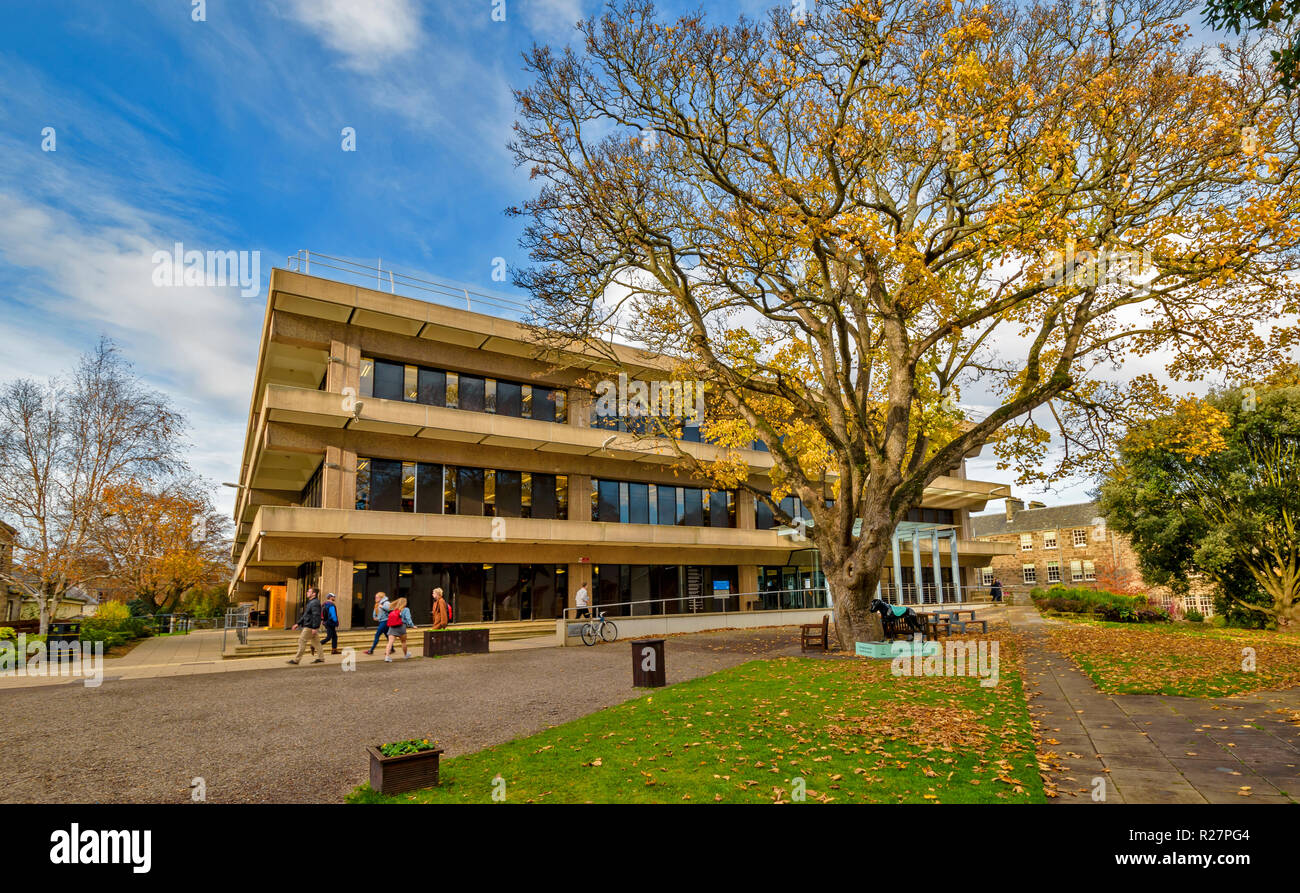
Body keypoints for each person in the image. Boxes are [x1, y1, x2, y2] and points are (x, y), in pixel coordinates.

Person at [287, 587, 325, 664]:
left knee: (302, 641)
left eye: (309, 591)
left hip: (310, 627)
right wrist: (298, 623)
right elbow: (305, 615)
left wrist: (315, 627)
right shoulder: (311, 602)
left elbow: (316, 615)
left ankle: (296, 660)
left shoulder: (314, 603)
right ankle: (321, 658)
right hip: (310, 626)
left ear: (314, 594)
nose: (307, 592)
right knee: (317, 643)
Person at [383, 597, 417, 662]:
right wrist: (412, 625)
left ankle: (387, 657)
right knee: (403, 642)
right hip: (401, 626)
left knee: (390, 642)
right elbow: (408, 618)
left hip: (392, 627)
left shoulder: (394, 609)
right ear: (404, 603)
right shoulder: (406, 609)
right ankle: (406, 655)